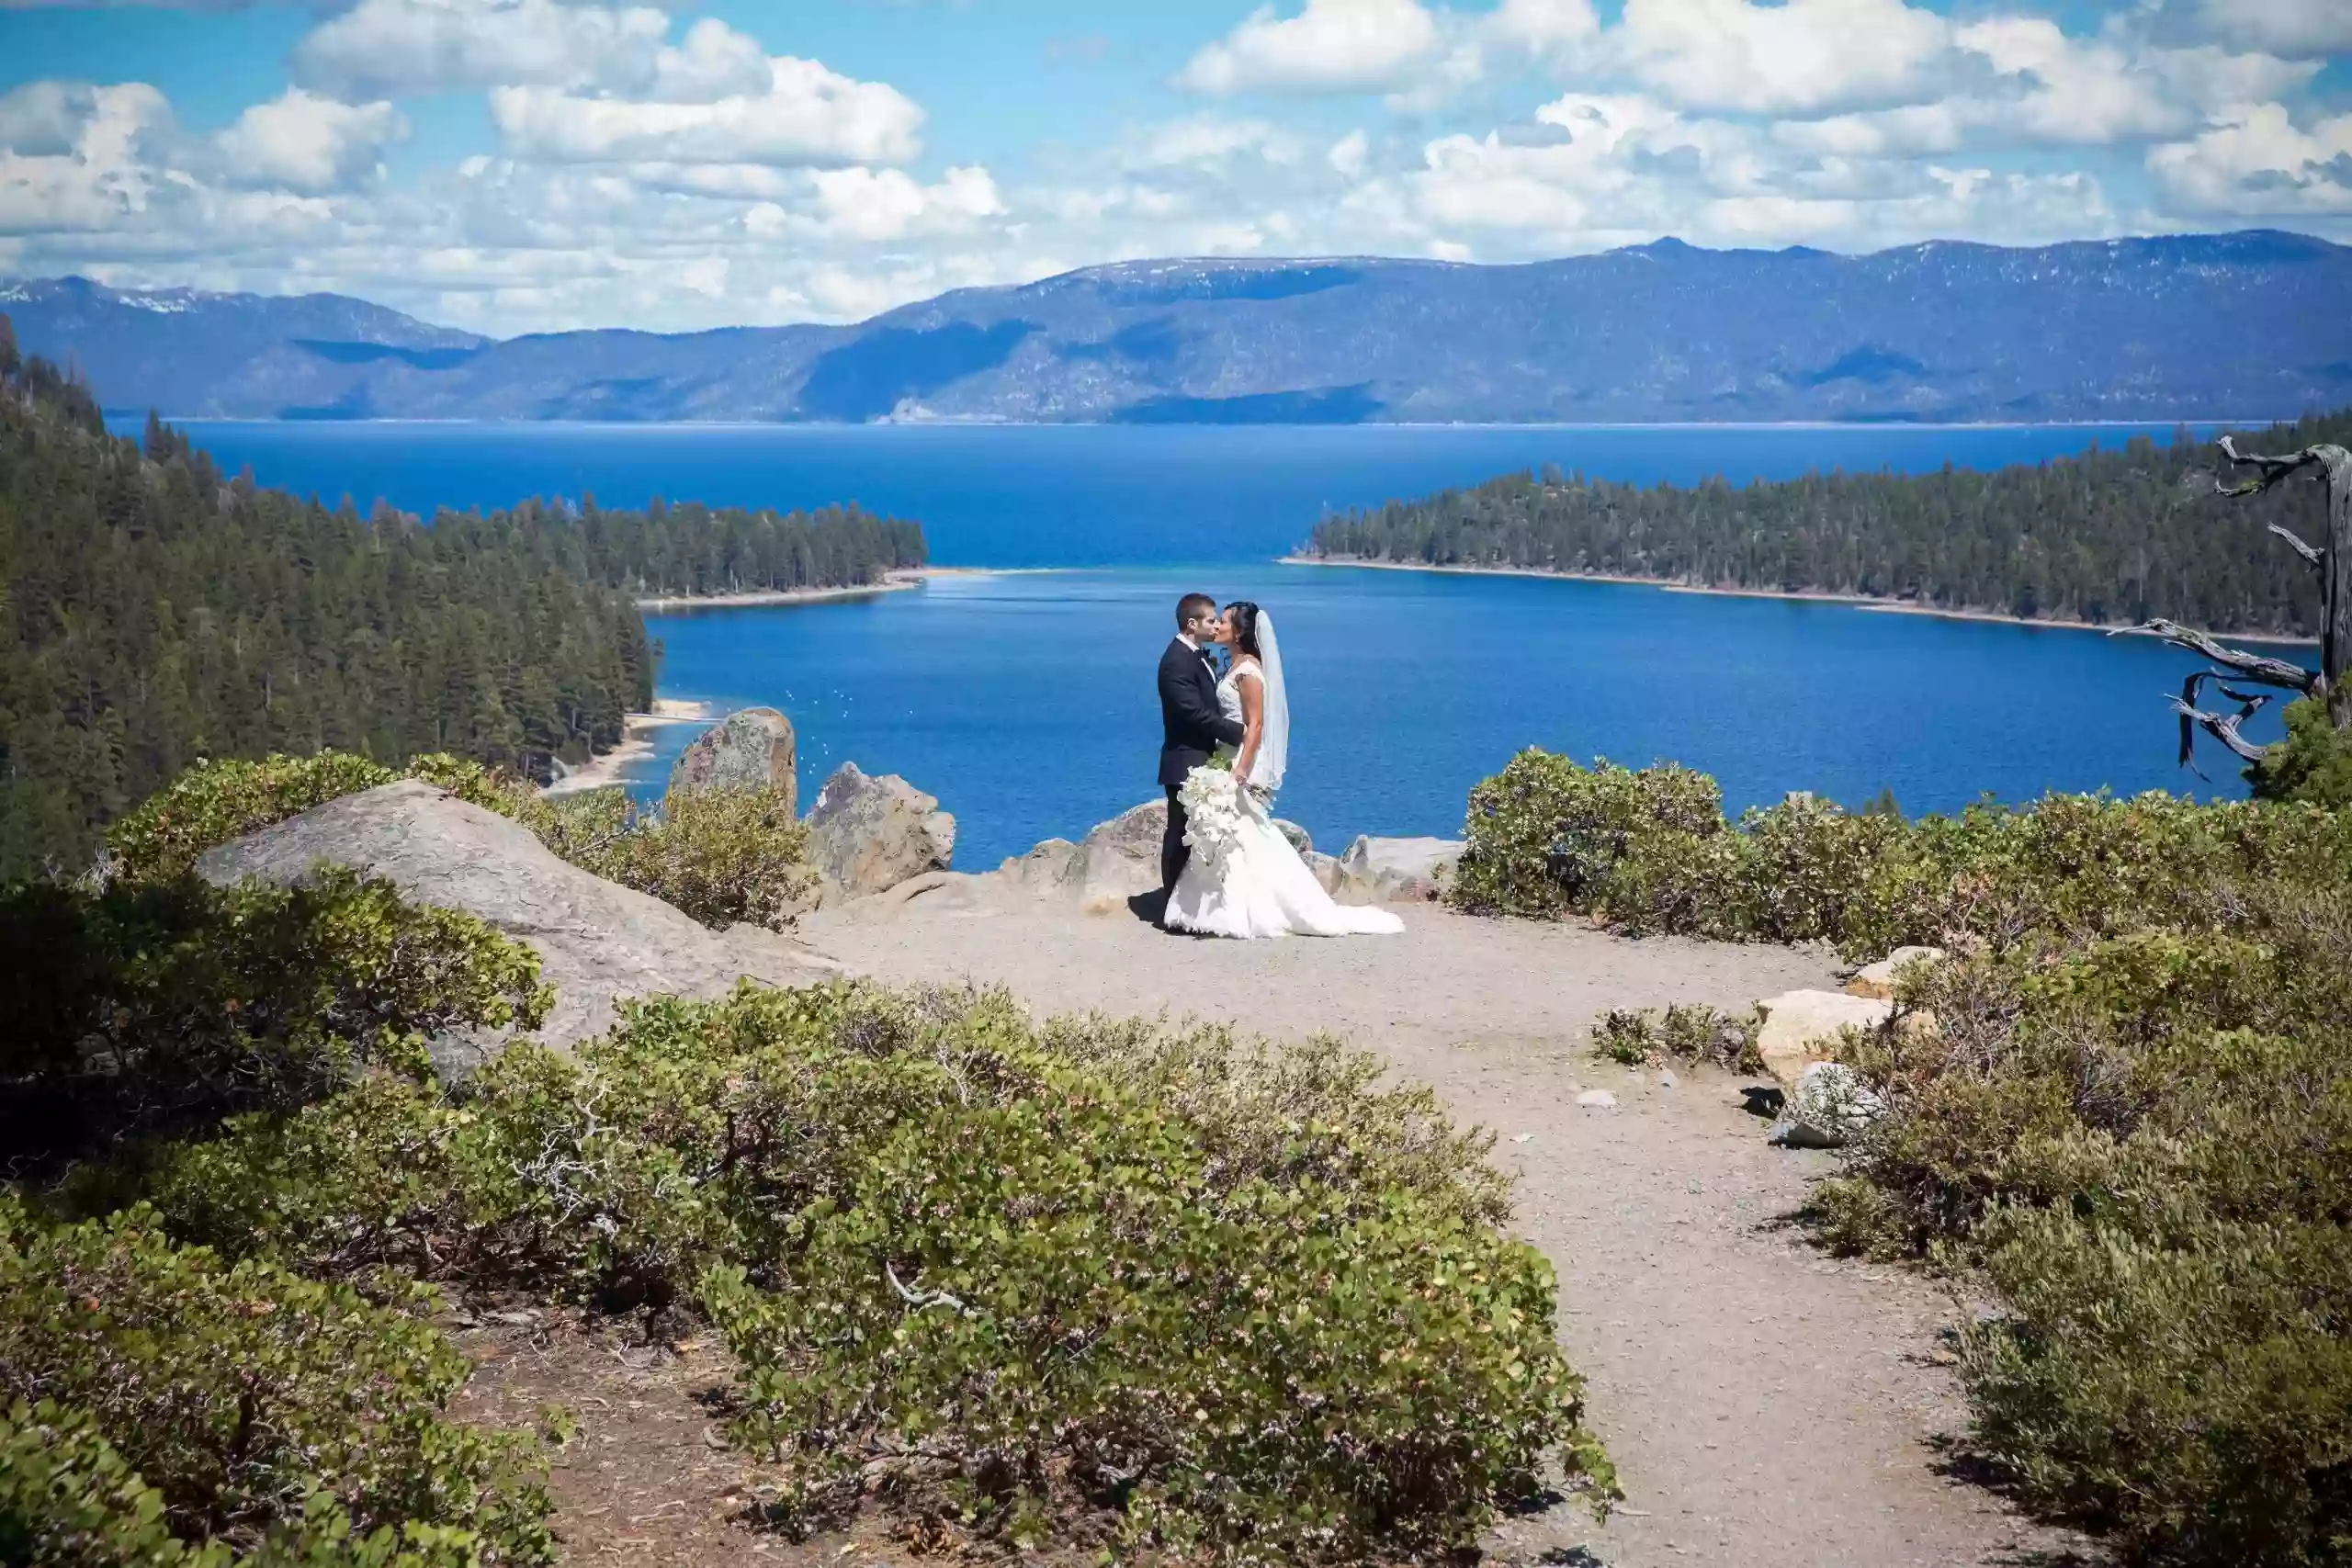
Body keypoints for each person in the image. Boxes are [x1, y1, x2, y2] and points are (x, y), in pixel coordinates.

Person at [1159, 599, 1404, 940]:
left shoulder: (1248, 671)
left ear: (1240, 631)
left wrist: (1241, 769)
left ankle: (1244, 907)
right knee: (1232, 835)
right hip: (1222, 757)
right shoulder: (1231, 664)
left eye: (1224, 622)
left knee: (1243, 834)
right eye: (1214, 621)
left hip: (1235, 762)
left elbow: (1255, 725)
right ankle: (1212, 905)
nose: (1218, 627)